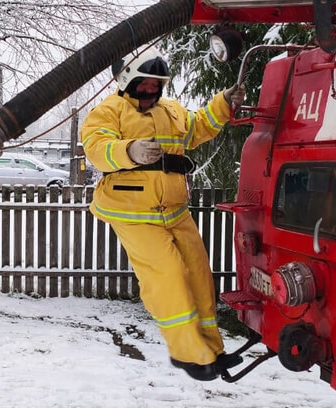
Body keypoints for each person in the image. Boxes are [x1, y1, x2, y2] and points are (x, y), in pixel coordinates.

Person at [80, 46, 245, 381]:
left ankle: (211, 350)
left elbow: (198, 127)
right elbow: (96, 148)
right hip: (133, 213)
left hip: (174, 210)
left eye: (156, 86)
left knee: (199, 275)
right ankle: (189, 355)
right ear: (128, 82)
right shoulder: (109, 110)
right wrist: (129, 150)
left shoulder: (170, 110)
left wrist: (223, 103)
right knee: (168, 277)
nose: (150, 92)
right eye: (144, 85)